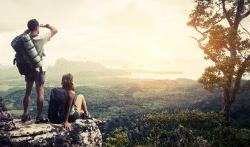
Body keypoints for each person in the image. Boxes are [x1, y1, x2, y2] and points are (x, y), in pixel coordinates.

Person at [21, 19, 58, 123]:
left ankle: (24, 114)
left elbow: (23, 34)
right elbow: (55, 30)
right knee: (40, 92)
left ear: (29, 28)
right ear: (37, 27)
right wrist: (45, 25)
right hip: (39, 68)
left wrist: (29, 29)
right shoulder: (41, 38)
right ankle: (39, 116)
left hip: (28, 68)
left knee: (27, 92)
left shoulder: (24, 39)